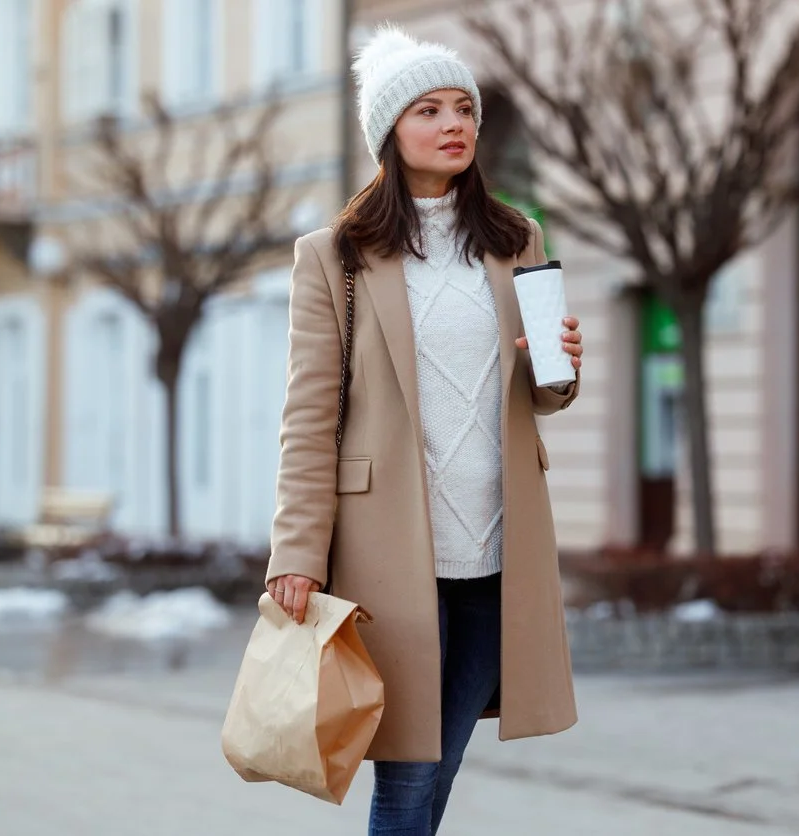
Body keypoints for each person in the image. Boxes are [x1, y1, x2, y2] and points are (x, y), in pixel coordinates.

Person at [264, 26, 583, 835]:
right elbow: (309, 415)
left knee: (436, 764)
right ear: (389, 133)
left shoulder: (516, 241)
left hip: (499, 544)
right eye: (430, 109)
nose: (455, 124)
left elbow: (544, 395)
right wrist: (296, 553)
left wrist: (562, 364)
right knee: (409, 768)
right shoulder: (336, 256)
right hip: (390, 549)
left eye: (465, 108)